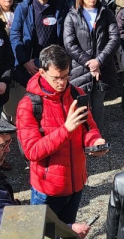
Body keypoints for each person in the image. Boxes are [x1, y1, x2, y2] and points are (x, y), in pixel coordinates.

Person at [16, 44, 107, 224]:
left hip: (76, 183)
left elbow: (89, 127)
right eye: (56, 78)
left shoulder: (76, 93)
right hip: (47, 190)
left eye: (66, 76)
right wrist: (66, 130)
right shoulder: (29, 105)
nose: (62, 83)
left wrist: (95, 142)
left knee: (68, 237)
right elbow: (31, 151)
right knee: (44, 238)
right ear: (42, 73)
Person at [64, 0, 121, 115]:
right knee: (82, 110)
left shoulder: (106, 13)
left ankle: (99, 130)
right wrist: (90, 63)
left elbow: (115, 38)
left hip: (103, 68)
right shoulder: (72, 16)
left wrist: (99, 61)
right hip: (80, 69)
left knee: (98, 109)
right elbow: (69, 44)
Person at [11, 0, 71, 78]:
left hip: (56, 60)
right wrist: (24, 61)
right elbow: (15, 35)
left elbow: (69, 32)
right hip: (32, 61)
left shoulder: (61, 4)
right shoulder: (23, 8)